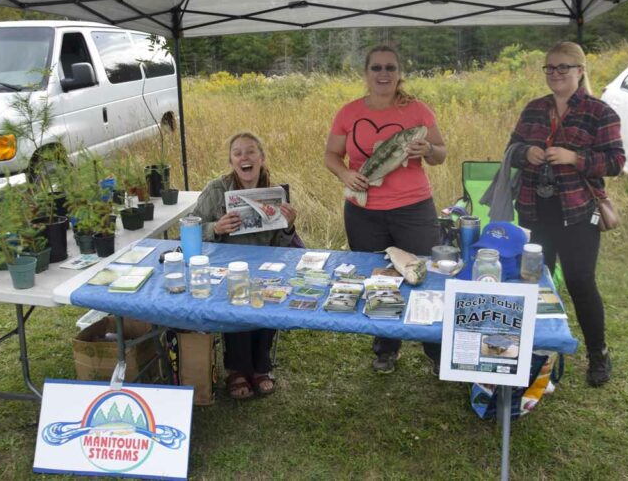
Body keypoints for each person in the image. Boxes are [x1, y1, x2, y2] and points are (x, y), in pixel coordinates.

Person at [507, 41, 625, 387]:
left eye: (563, 67)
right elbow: (510, 150)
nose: (555, 74)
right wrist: (525, 151)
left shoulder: (599, 112)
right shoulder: (533, 109)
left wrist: (575, 159)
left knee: (580, 283)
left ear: (580, 70)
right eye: (549, 68)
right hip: (533, 211)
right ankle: (531, 350)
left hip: (577, 214)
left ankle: (598, 353)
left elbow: (616, 162)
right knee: (534, 283)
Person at [324, 45, 447, 374]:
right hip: (363, 212)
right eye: (376, 68)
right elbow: (331, 156)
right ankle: (386, 347)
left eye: (390, 68)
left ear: (399, 73)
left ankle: (434, 349)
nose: (383, 74)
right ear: (366, 74)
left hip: (414, 209)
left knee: (424, 275)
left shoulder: (418, 110)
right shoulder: (348, 112)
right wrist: (346, 174)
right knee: (378, 278)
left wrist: (429, 149)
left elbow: (440, 154)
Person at [191, 131, 297, 399]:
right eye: (237, 153)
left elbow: (283, 247)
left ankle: (260, 367)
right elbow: (190, 228)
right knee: (237, 296)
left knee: (267, 293)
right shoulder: (216, 190)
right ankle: (237, 369)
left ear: (261, 157)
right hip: (227, 266)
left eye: (250, 151)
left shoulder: (274, 193)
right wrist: (215, 227)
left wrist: (289, 225)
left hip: (265, 266)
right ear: (231, 161)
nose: (244, 157)